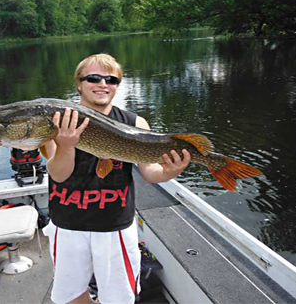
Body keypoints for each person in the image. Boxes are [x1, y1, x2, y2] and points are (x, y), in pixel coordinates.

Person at [42, 53, 191, 304]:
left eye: (111, 79)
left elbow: (151, 172)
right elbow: (58, 174)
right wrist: (66, 146)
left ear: (117, 85)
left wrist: (170, 171)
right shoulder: (57, 121)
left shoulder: (134, 122)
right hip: (67, 224)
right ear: (78, 83)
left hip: (114, 225)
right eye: (93, 78)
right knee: (71, 295)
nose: (103, 84)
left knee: (120, 297)